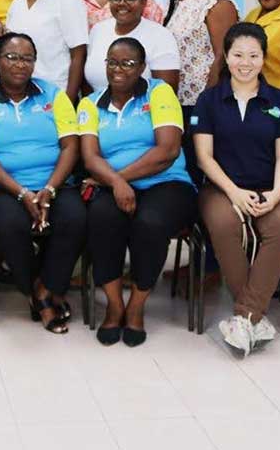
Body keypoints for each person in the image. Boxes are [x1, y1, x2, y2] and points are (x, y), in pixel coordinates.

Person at [0, 33, 85, 334]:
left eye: (27, 58)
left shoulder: (53, 95)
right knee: (9, 225)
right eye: (12, 57)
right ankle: (42, 294)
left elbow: (71, 146)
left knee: (77, 217)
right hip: (4, 190)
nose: (20, 64)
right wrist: (22, 193)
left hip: (54, 184)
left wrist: (49, 189)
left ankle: (43, 291)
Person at [78, 37, 195, 347]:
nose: (119, 69)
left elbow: (168, 150)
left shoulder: (159, 92)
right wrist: (117, 184)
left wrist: (118, 179)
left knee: (150, 223)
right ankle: (115, 306)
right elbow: (90, 158)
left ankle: (137, 306)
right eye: (112, 63)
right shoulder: (90, 103)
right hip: (110, 182)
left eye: (128, 63)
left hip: (166, 182)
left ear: (142, 67)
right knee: (102, 218)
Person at [193, 23, 280, 357]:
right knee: (224, 224)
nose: (245, 62)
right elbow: (204, 157)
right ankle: (254, 317)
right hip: (221, 189)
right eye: (238, 54)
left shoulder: (278, 100)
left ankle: (244, 317)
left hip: (271, 187)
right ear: (226, 56)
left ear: (264, 59)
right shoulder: (209, 100)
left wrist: (278, 192)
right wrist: (234, 191)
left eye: (254, 55)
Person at [163, 0, 238, 177]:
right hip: (177, 105)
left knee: (202, 172)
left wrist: (207, 107)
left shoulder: (217, 2)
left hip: (203, 106)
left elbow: (224, 59)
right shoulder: (176, 2)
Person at [84, 0, 179, 95]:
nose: (122, 3)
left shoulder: (161, 36)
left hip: (144, 112)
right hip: (98, 110)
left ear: (144, 2)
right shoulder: (98, 30)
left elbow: (166, 94)